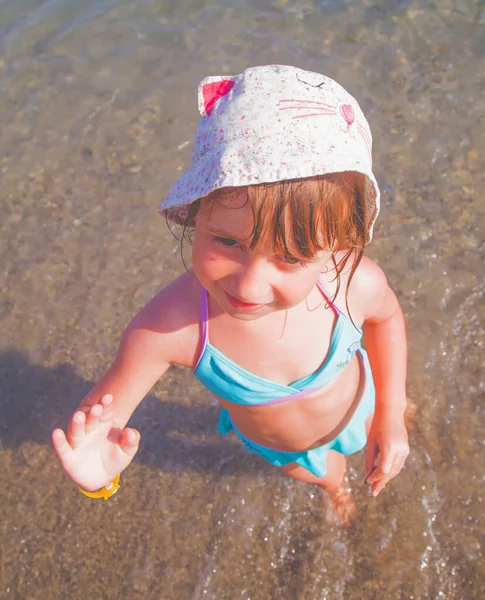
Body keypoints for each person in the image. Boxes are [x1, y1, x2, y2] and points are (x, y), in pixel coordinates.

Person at [52, 64, 411, 524]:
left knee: (387, 428)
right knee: (323, 475)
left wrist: (391, 411)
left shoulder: (353, 283)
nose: (248, 285)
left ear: (337, 245)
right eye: (227, 242)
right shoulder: (167, 329)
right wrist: (98, 478)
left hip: (361, 400)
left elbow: (387, 320)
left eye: (291, 257)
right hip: (286, 449)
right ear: (195, 214)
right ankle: (334, 488)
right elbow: (100, 428)